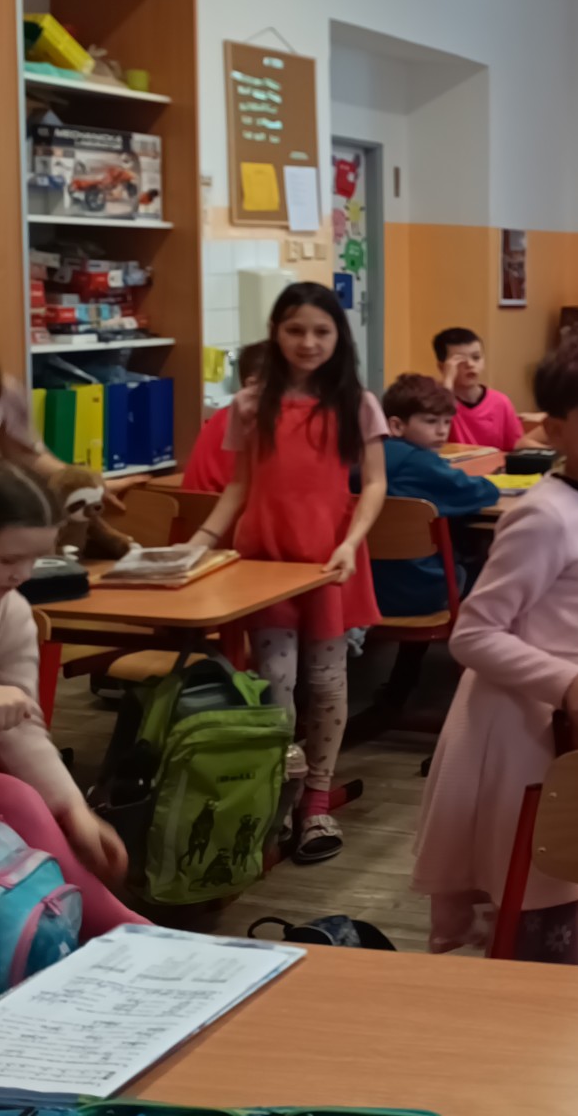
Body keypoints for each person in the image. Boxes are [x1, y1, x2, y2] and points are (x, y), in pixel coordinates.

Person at [412, 329, 578, 962]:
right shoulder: (544, 515)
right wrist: (572, 682)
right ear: (555, 431)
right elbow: (474, 635)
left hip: (565, 726)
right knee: (529, 907)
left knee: (563, 899)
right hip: (512, 731)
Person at [187, 283, 387, 865]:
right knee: (274, 683)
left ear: (339, 336)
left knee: (326, 683)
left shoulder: (357, 403)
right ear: (275, 332)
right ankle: (280, 793)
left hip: (327, 559)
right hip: (264, 559)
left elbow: (374, 483)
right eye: (295, 329)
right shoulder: (250, 404)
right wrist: (201, 543)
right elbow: (239, 486)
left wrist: (350, 543)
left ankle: (317, 802)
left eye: (322, 331)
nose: (308, 342)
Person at [0, 464, 144, 939]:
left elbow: (22, 727)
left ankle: (107, 923)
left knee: (22, 798)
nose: (21, 575)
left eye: (34, 559)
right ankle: (111, 927)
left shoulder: (10, 610)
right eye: (7, 559)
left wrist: (72, 808)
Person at [371, 374, 501, 617]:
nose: (442, 431)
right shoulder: (420, 462)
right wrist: (489, 482)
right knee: (493, 564)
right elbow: (482, 492)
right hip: (423, 589)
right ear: (396, 425)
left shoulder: (366, 457)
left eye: (447, 422)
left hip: (368, 590)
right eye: (431, 421)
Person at [179, 341, 268, 493]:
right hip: (219, 504)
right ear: (253, 385)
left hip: (200, 505)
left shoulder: (224, 415)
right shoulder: (248, 422)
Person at [435, 327, 537, 452]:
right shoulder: (433, 402)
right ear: (442, 367)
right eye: (460, 361)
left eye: (476, 357)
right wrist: (448, 381)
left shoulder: (500, 402)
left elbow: (517, 445)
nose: (470, 364)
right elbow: (433, 437)